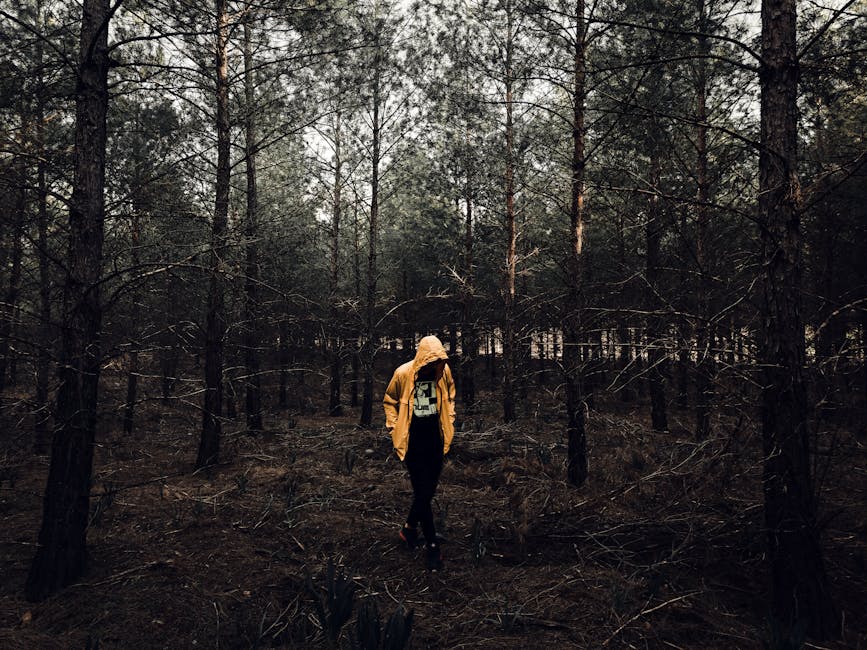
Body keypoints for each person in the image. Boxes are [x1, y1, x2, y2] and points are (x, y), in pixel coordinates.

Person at [383, 335, 456, 571]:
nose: (436, 365)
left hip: (435, 438)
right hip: (412, 440)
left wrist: (450, 419)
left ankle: (409, 528)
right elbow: (390, 400)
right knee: (422, 492)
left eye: (439, 361)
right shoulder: (404, 373)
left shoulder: (443, 373)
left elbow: (450, 396)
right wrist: (394, 426)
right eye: (432, 361)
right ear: (423, 357)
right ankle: (433, 547)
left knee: (428, 491)